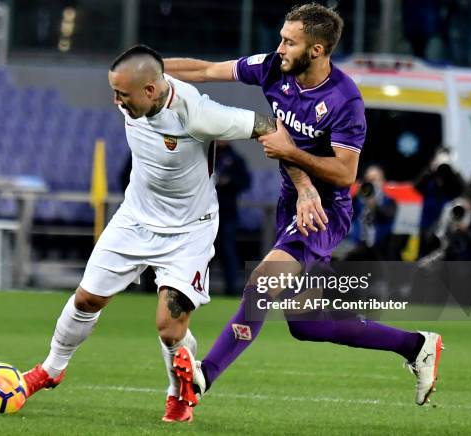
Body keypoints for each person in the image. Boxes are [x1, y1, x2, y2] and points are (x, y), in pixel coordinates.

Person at [164, 2, 443, 410]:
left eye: (289, 42)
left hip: (323, 213)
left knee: (262, 283)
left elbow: (346, 174)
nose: (279, 47)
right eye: (281, 37)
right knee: (307, 324)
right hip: (289, 204)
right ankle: (417, 345)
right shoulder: (274, 68)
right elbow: (207, 70)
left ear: (316, 50)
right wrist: (150, 70)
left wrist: (292, 153)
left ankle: (205, 375)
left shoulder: (345, 100)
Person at [20, 45, 291, 423]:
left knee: (169, 326)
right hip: (134, 219)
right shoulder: (137, 93)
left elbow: (269, 127)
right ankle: (51, 369)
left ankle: (179, 394)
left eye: (122, 95)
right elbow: (160, 68)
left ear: (150, 91)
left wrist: (306, 189)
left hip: (188, 232)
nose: (116, 102)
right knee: (86, 300)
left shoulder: (199, 115)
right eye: (114, 92)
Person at [214, 140, 251, 295]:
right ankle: (197, 287)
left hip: (227, 211)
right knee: (202, 251)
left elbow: (246, 182)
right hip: (203, 213)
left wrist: (229, 181)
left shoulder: (235, 158)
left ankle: (232, 288)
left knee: (228, 250)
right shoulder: (206, 154)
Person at [346, 165, 397, 260]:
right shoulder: (358, 200)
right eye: (368, 180)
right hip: (357, 246)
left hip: (380, 250)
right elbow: (346, 214)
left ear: (382, 181)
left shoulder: (389, 201)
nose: (371, 183)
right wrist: (355, 195)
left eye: (374, 180)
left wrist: (374, 204)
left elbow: (387, 216)